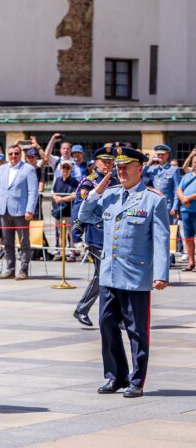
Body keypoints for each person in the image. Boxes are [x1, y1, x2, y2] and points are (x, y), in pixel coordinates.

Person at [79, 145, 169, 398]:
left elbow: (161, 239)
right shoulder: (109, 195)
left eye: (126, 167)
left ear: (139, 169)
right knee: (106, 323)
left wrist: (161, 274)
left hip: (135, 276)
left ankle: (137, 380)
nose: (121, 172)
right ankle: (115, 376)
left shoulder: (153, 199)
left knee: (137, 330)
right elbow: (85, 215)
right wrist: (96, 192)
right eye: (118, 168)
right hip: (110, 273)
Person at [70, 148, 118, 326]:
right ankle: (82, 309)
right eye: (104, 161)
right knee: (101, 275)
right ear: (96, 162)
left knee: (113, 275)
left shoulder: (117, 180)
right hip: (96, 235)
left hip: (113, 235)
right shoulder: (89, 182)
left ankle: (116, 314)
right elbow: (80, 208)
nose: (107, 164)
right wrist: (76, 234)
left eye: (110, 161)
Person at [0, 144, 38, 279]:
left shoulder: (28, 169)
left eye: (16, 153)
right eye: (10, 154)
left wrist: (30, 209)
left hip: (21, 211)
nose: (13, 156)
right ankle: (10, 269)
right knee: (7, 242)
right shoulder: (2, 169)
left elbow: (33, 191)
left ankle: (23, 270)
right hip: (4, 210)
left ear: (20, 154)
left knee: (24, 242)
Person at [50, 160, 80, 258]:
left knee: (71, 233)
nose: (65, 170)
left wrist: (61, 199)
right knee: (60, 233)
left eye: (68, 168)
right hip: (59, 212)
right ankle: (61, 252)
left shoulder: (75, 182)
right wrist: (56, 197)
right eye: (64, 167)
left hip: (70, 212)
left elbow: (74, 195)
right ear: (60, 169)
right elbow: (53, 192)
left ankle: (72, 252)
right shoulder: (57, 180)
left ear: (71, 170)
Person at [143, 144, 181, 220]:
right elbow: (141, 173)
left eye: (162, 154)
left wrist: (175, 206)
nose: (160, 156)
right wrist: (149, 162)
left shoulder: (173, 170)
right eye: (158, 154)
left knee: (168, 226)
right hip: (153, 204)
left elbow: (177, 189)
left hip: (167, 205)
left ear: (167, 155)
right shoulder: (152, 169)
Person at [177, 162, 196, 271]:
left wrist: (187, 198)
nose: (195, 164)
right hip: (186, 211)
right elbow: (179, 189)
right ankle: (191, 262)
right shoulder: (187, 176)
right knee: (188, 238)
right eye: (194, 162)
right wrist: (182, 198)